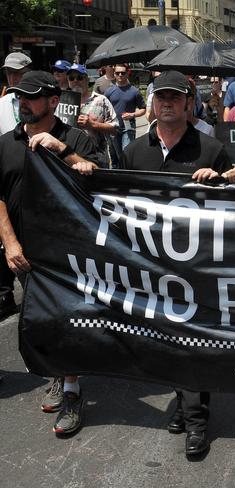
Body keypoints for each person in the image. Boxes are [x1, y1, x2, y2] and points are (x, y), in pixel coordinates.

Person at [118, 71, 235, 456]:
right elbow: (116, 199)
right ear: (152, 102)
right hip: (151, 266)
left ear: (189, 102)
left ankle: (196, 420)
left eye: (175, 96)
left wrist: (223, 177)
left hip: (197, 267)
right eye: (160, 96)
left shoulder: (209, 147)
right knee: (166, 343)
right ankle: (185, 406)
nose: (167, 102)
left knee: (192, 343)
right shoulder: (135, 150)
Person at [0, 71, 100, 436]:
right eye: (18, 97)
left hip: (67, 251)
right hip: (22, 252)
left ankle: (71, 389)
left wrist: (66, 153)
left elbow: (101, 180)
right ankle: (60, 374)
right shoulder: (5, 142)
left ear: (53, 102)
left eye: (30, 97)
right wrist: (10, 243)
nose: (22, 102)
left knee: (64, 319)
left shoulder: (74, 138)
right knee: (39, 320)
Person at [0, 52, 32, 320]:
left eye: (19, 72)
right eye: (10, 73)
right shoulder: (0, 107)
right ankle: (5, 293)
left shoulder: (38, 103)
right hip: (7, 181)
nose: (14, 77)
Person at [67, 63, 118, 168]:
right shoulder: (63, 102)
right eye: (71, 78)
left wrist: (92, 125)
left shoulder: (101, 100)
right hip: (69, 158)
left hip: (97, 159)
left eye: (79, 78)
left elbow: (115, 128)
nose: (75, 81)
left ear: (87, 80)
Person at [104, 64, 146, 151]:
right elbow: (104, 109)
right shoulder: (109, 91)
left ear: (127, 74)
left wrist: (132, 114)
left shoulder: (134, 91)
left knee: (127, 153)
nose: (120, 75)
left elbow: (143, 109)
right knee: (115, 155)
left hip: (128, 127)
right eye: (117, 73)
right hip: (113, 127)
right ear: (114, 74)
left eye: (122, 73)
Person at [0, 52, 32, 135]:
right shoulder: (1, 104)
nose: (12, 78)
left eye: (17, 72)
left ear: (29, 72)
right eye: (9, 73)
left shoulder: (42, 100)